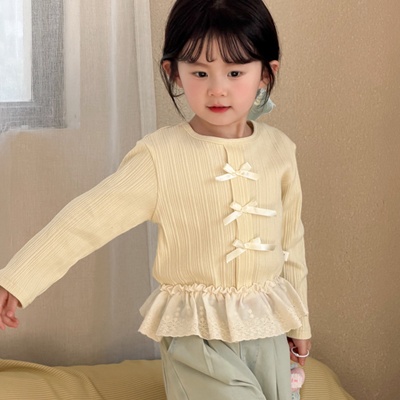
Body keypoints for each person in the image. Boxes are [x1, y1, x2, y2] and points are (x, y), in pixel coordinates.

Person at [0, 0, 312, 398]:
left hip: (267, 330)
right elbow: (87, 220)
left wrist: (300, 324)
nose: (217, 88)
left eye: (235, 72)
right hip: (198, 338)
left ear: (267, 73)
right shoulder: (159, 157)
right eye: (200, 72)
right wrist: (17, 279)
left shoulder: (280, 150)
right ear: (173, 72)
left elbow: (291, 245)